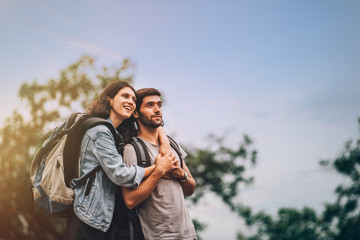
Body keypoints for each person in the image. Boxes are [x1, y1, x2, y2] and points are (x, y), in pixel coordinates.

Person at [65, 81, 177, 240]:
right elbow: (120, 174)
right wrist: (158, 168)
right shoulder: (101, 132)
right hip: (87, 216)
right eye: (125, 96)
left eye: (133, 100)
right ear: (109, 100)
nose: (130, 102)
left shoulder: (114, 133)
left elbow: (154, 123)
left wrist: (164, 141)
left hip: (98, 217)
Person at [121, 88, 197, 240]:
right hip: (158, 236)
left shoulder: (172, 144)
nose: (157, 110)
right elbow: (129, 201)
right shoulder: (131, 150)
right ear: (136, 113)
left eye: (159, 105)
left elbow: (191, 188)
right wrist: (159, 171)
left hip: (188, 234)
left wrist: (182, 175)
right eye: (150, 105)